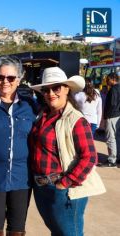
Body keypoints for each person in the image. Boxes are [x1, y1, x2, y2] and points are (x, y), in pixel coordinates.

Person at [29, 67, 106, 236]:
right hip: (42, 188)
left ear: (66, 89)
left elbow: (89, 157)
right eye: (46, 89)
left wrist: (64, 183)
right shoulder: (43, 115)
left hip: (64, 190)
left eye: (56, 87)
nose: (51, 93)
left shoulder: (76, 120)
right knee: (57, 232)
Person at [0, 56, 37, 236]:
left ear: (19, 80)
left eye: (11, 78)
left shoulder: (30, 105)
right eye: (0, 77)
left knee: (17, 227)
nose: (5, 81)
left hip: (22, 176)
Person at [99, 72, 120, 167]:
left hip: (112, 116)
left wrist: (106, 116)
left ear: (113, 79)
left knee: (110, 138)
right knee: (117, 138)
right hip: (117, 116)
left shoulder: (113, 89)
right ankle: (117, 158)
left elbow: (112, 104)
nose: (106, 82)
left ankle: (112, 160)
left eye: (108, 80)